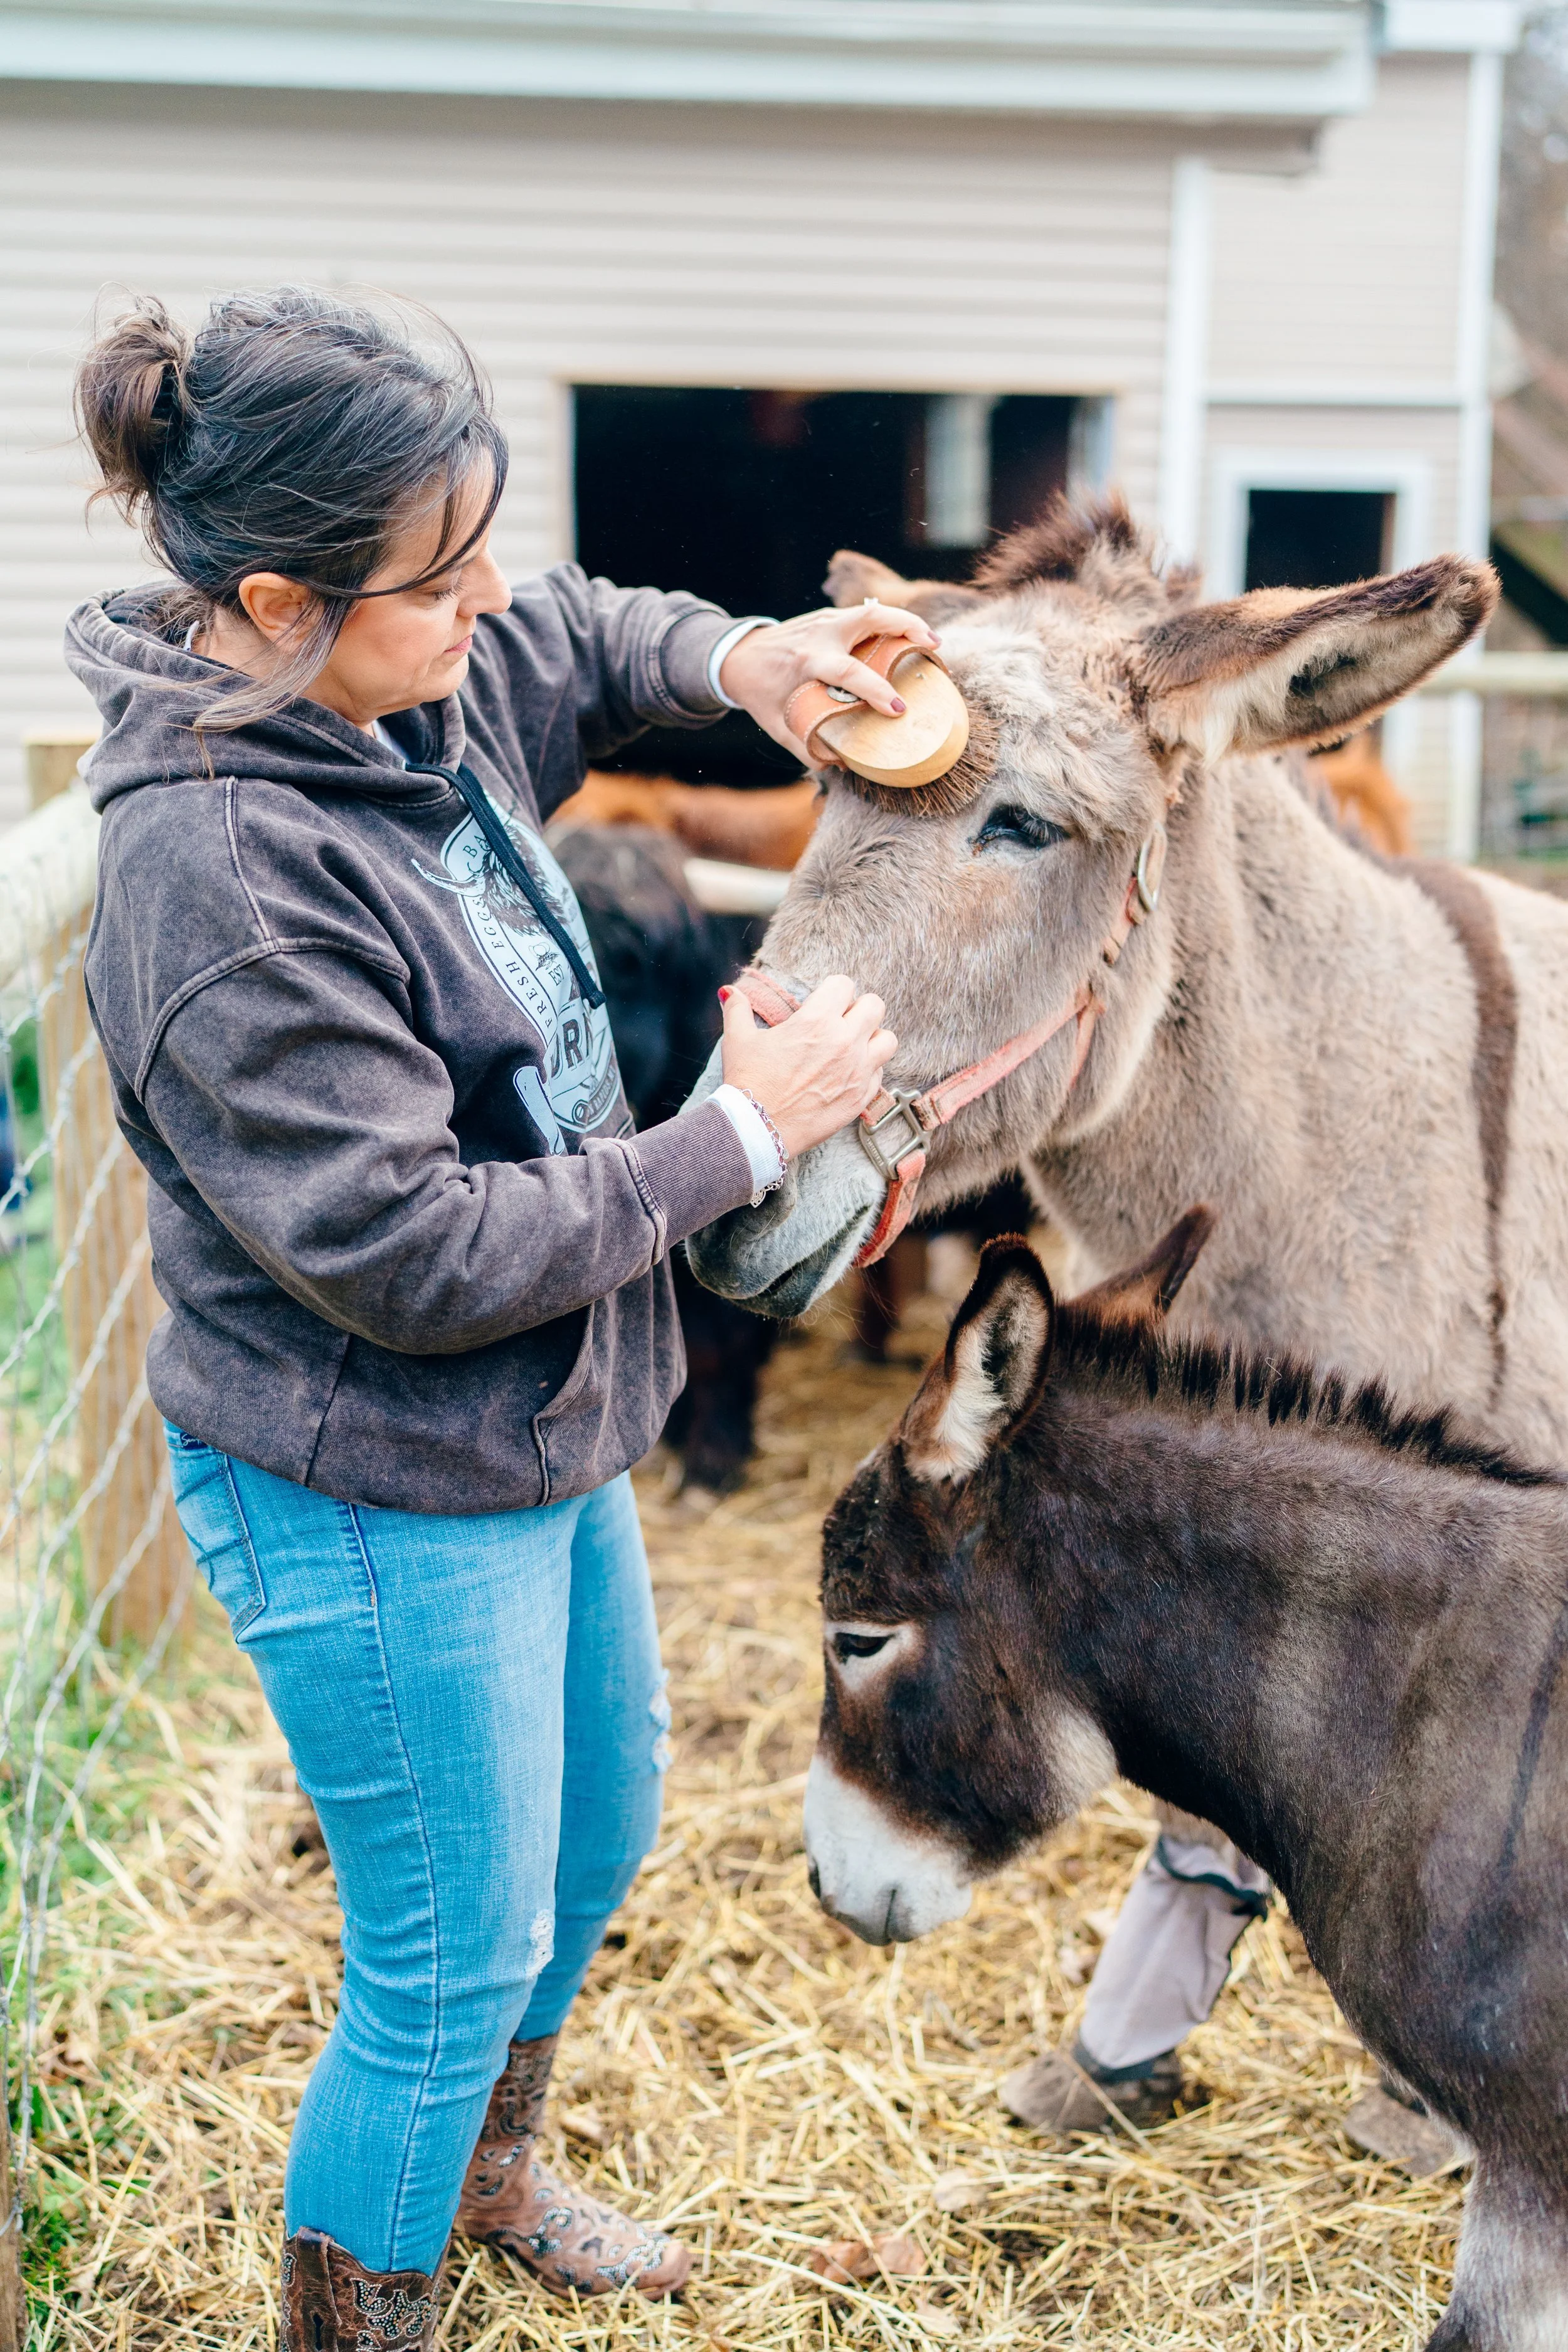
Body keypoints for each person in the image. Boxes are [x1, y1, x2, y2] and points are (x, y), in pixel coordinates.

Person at [68, 287, 931, 2349]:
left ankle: (491, 2162)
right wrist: (739, 1132)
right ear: (276, 596)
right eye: (429, 577)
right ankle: (356, 2313)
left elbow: (568, 632)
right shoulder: (226, 879)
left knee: (601, 1822)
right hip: (373, 1467)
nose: (479, 607)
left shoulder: (395, 683)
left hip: (546, 1422)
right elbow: (406, 1249)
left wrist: (751, 659)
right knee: (444, 1951)